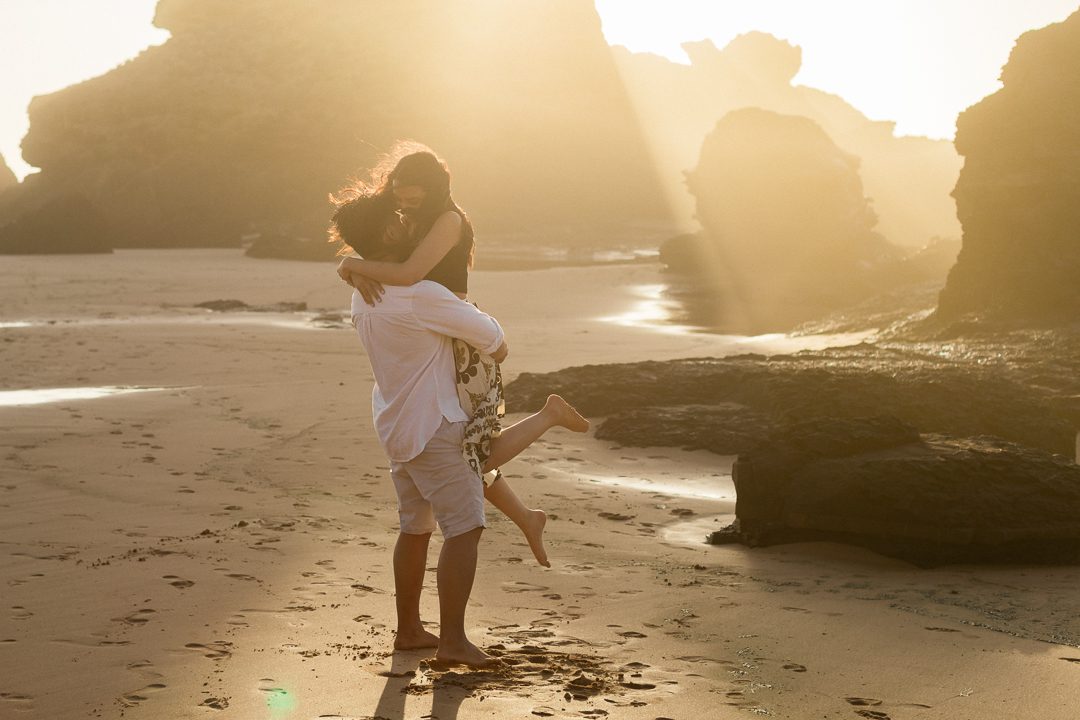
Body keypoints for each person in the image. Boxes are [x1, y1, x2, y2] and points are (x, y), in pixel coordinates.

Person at [332, 146, 588, 569]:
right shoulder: (411, 220)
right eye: (399, 198)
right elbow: (397, 268)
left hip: (456, 333)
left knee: (470, 451)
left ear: (434, 189)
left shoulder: (447, 220)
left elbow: (410, 275)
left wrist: (353, 264)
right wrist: (355, 267)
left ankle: (543, 438)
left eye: (412, 198)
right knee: (469, 451)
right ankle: (528, 508)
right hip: (436, 327)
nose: (404, 205)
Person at [343, 223, 505, 668]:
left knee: (415, 528)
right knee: (464, 529)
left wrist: (352, 268)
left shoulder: (363, 294)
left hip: (395, 423)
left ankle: (410, 630)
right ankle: (453, 640)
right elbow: (497, 344)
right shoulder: (424, 294)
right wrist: (465, 308)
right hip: (435, 425)